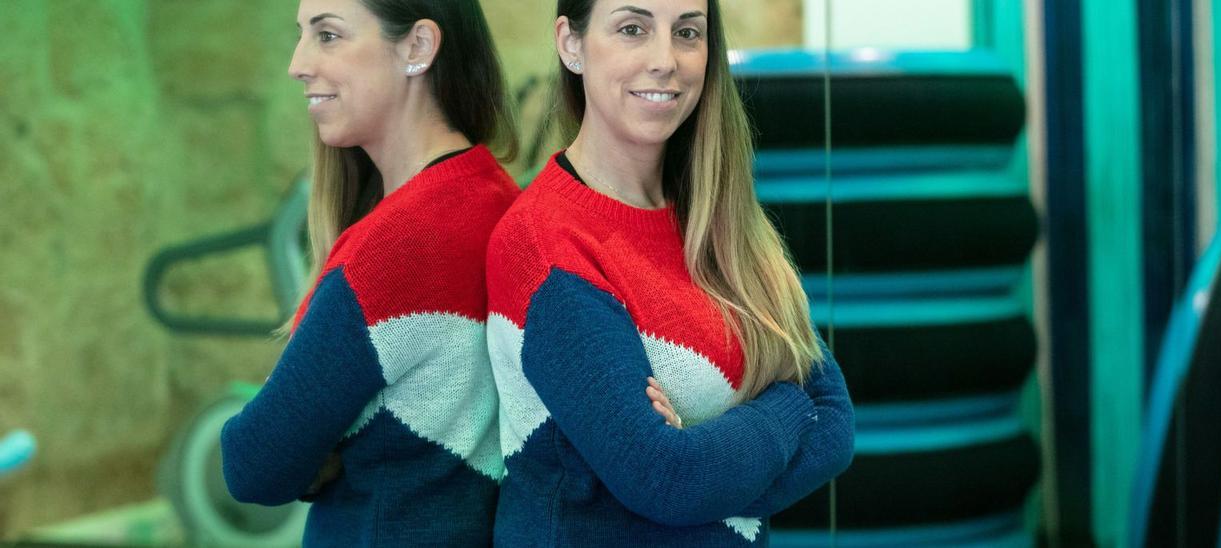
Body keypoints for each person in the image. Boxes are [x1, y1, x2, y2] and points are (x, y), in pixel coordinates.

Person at [484, 0, 856, 545]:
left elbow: (837, 424)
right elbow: (670, 481)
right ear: (570, 44)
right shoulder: (545, 247)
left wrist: (706, 466)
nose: (666, 59)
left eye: (687, 32)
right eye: (633, 28)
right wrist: (790, 406)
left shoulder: (721, 219)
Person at [220, 0, 518, 545]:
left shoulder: (393, 249)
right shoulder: (499, 197)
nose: (298, 63)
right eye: (302, 35)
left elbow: (253, 462)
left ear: (418, 48)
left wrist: (319, 448)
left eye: (328, 35)